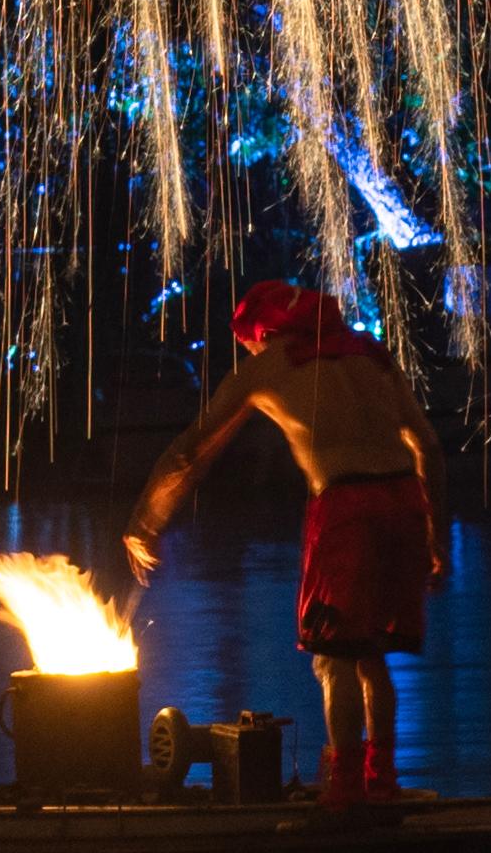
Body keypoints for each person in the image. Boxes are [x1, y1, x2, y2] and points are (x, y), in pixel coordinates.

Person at [123, 280, 439, 809]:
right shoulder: (370, 353)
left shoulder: (269, 365)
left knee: (332, 658)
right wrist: (435, 536)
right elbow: (426, 445)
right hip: (404, 502)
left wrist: (143, 519)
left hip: (346, 508)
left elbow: (190, 450)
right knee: (374, 656)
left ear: (261, 333)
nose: (248, 352)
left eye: (248, 343)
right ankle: (381, 778)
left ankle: (344, 791)